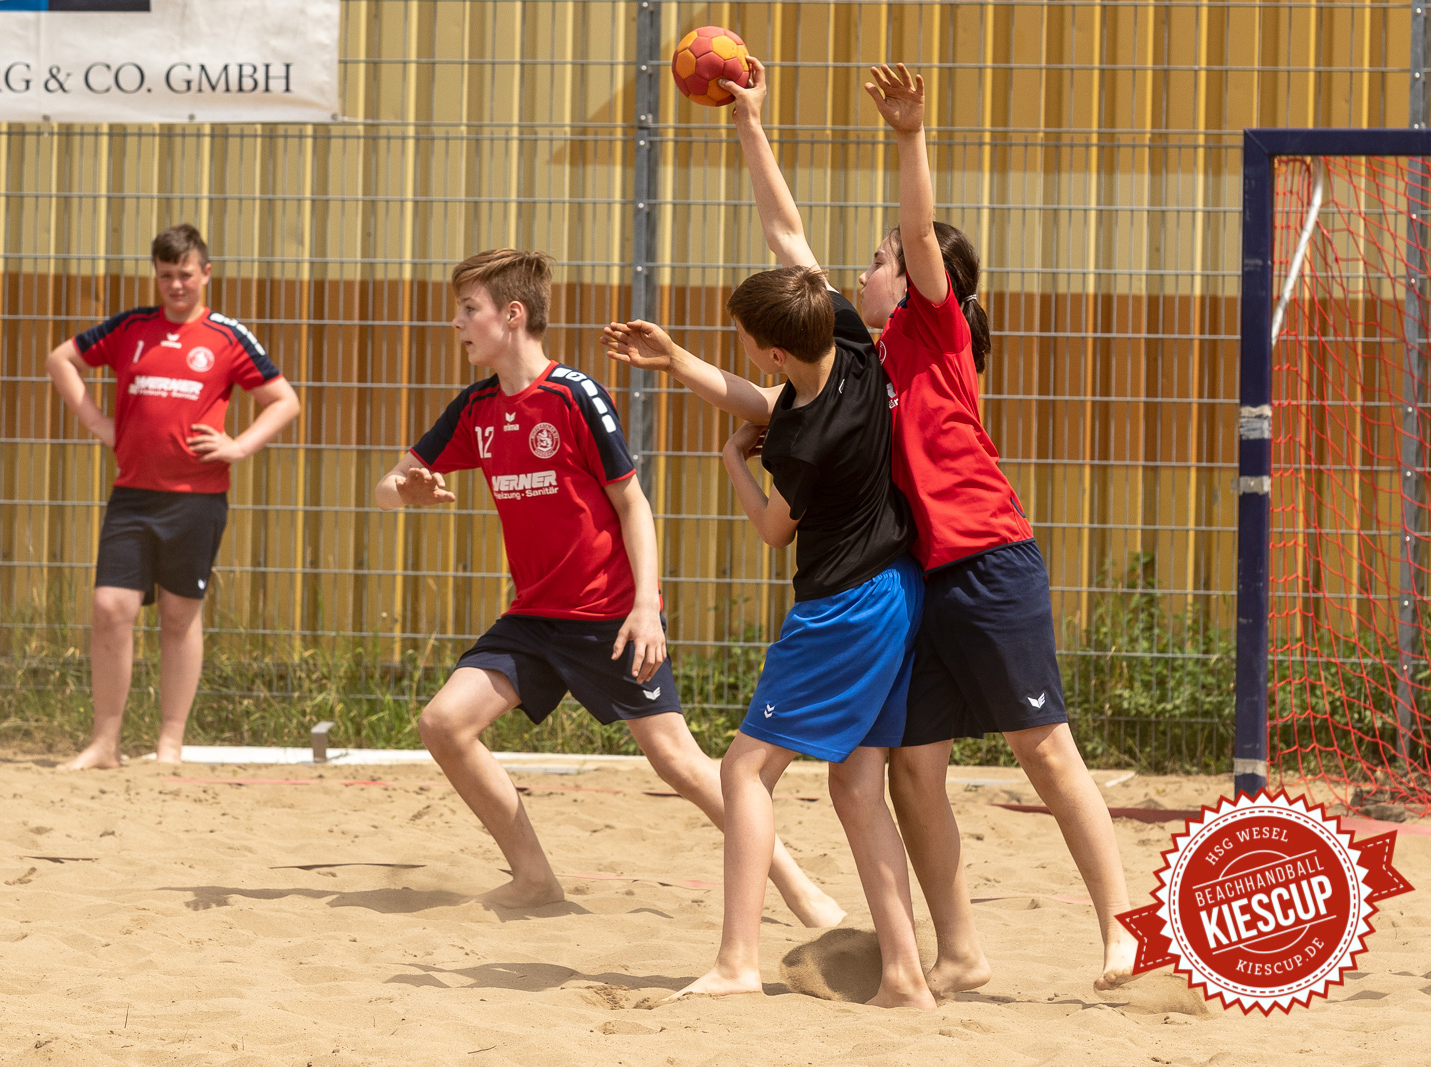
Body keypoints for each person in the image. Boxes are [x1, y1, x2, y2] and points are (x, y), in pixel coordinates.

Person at [613, 57, 1137, 994]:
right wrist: (749, 124)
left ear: (918, 278)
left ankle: (1123, 933)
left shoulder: (935, 330)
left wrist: (908, 136)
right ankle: (958, 954)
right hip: (912, 579)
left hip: (986, 560)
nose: (868, 265)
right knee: (908, 775)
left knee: (1046, 749)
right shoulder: (850, 349)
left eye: (882, 258)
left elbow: (911, 239)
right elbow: (785, 238)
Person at [376, 248, 843, 928]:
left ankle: (804, 892)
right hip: (535, 617)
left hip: (608, 617)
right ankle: (533, 878)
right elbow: (390, 483)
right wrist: (405, 492)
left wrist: (646, 608)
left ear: (512, 315)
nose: (458, 323)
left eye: (468, 310)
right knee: (444, 723)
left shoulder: (574, 395)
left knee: (680, 763)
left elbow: (634, 505)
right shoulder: (477, 409)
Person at [603, 264, 934, 1007]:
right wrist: (678, 358)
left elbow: (774, 530)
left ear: (773, 354)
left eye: (746, 342)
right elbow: (788, 244)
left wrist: (730, 462)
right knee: (855, 783)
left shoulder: (804, 440)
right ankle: (906, 975)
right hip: (898, 591)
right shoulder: (852, 345)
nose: (745, 351)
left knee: (744, 772)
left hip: (840, 608)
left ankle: (736, 961)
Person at [47, 223, 300, 770]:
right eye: (166, 276)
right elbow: (60, 359)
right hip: (132, 496)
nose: (176, 285)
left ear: (205, 274)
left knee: (180, 615)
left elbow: (283, 400)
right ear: (156, 276)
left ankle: (169, 742)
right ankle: (105, 743)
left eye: (185, 274)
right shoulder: (131, 327)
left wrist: (240, 446)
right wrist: (96, 420)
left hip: (196, 498)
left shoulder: (228, 336)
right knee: (110, 608)